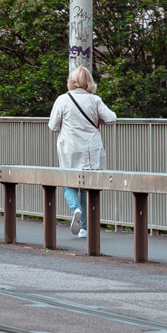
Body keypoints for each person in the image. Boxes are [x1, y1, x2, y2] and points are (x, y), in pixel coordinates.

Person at [48, 66, 117, 238]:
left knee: (69, 183)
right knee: (87, 187)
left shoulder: (62, 100)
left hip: (69, 148)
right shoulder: (95, 100)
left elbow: (53, 126)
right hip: (91, 149)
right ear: (89, 82)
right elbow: (112, 118)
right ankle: (84, 229)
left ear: (71, 81)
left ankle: (75, 209)